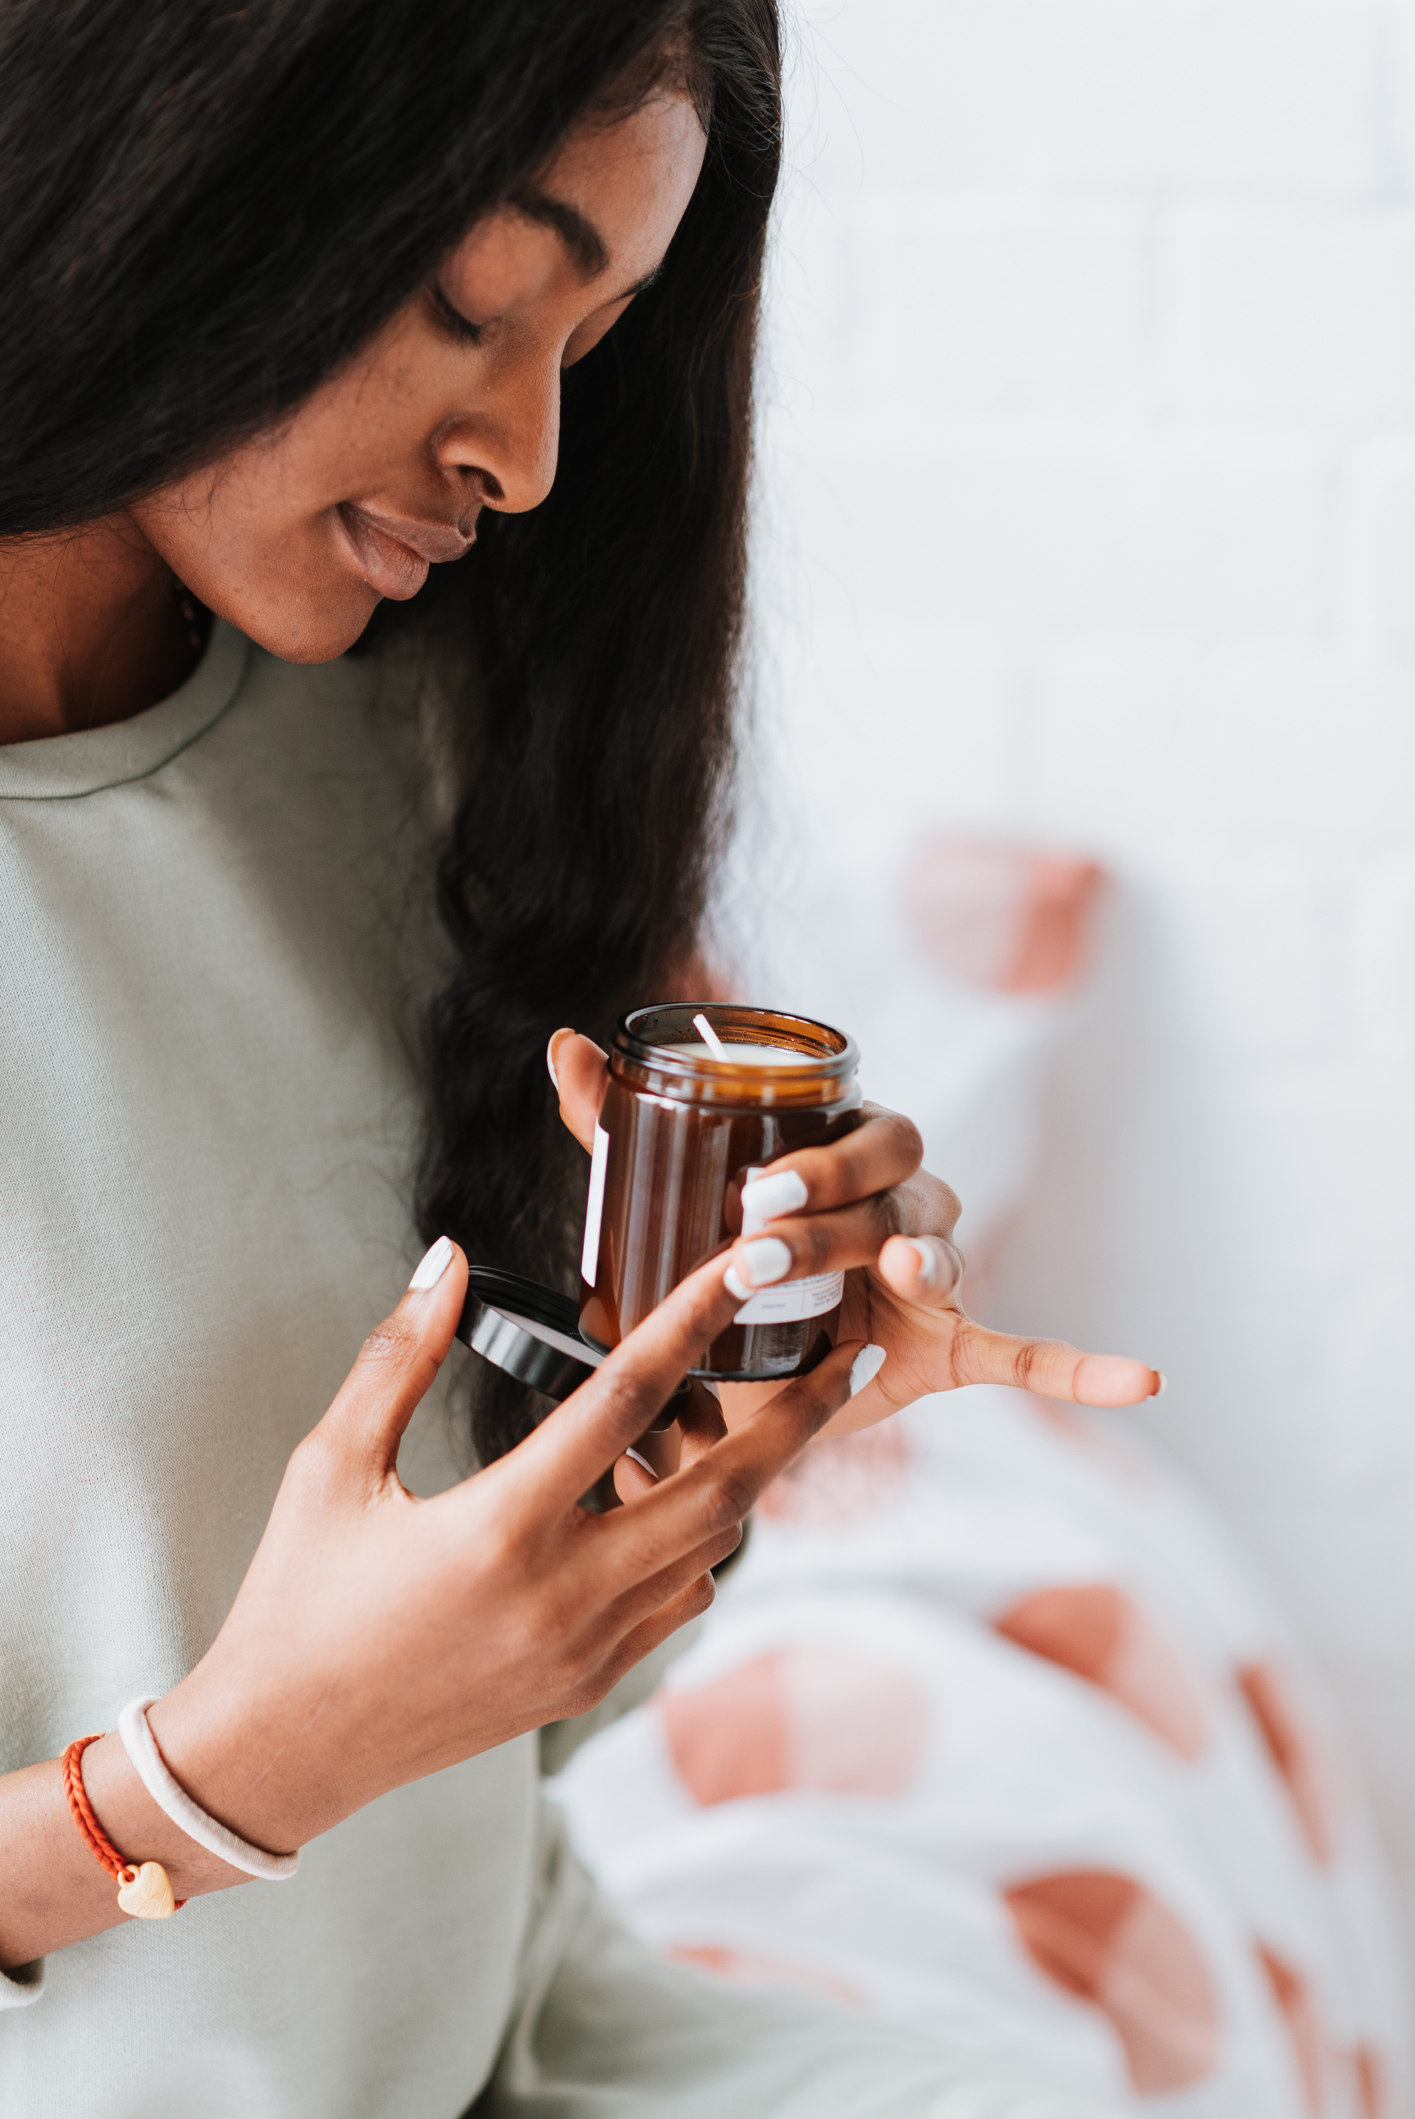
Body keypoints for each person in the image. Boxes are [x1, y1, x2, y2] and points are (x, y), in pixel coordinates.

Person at [0, 4, 1161, 2113]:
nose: (526, 457)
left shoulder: (405, 733)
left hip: (501, 2047)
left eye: (594, 342)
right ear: (159, 164)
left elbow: (495, 1762)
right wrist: (225, 1777)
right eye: (468, 302)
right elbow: (314, 1748)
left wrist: (688, 1426)